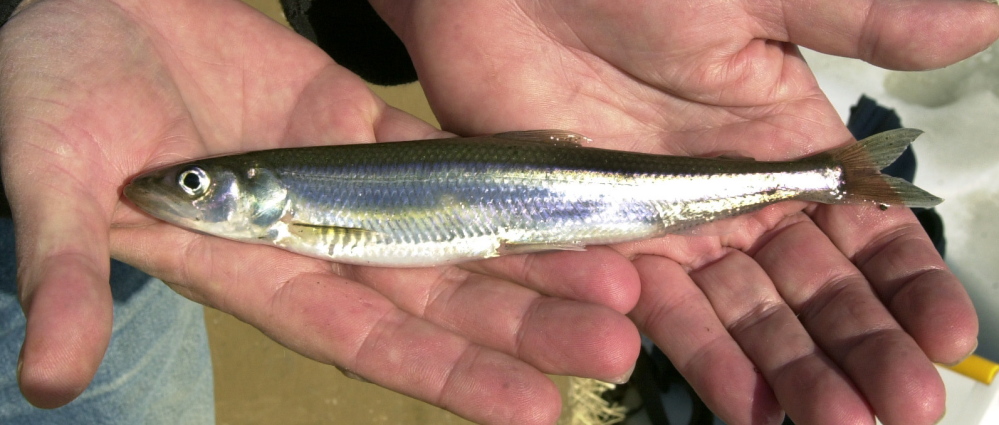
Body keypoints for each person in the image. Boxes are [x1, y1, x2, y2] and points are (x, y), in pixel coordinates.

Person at [0, 0, 996, 424]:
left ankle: (828, 176)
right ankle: (826, 177)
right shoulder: (284, 209)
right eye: (198, 186)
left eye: (199, 184)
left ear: (263, 189)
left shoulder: (293, 208)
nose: (193, 192)